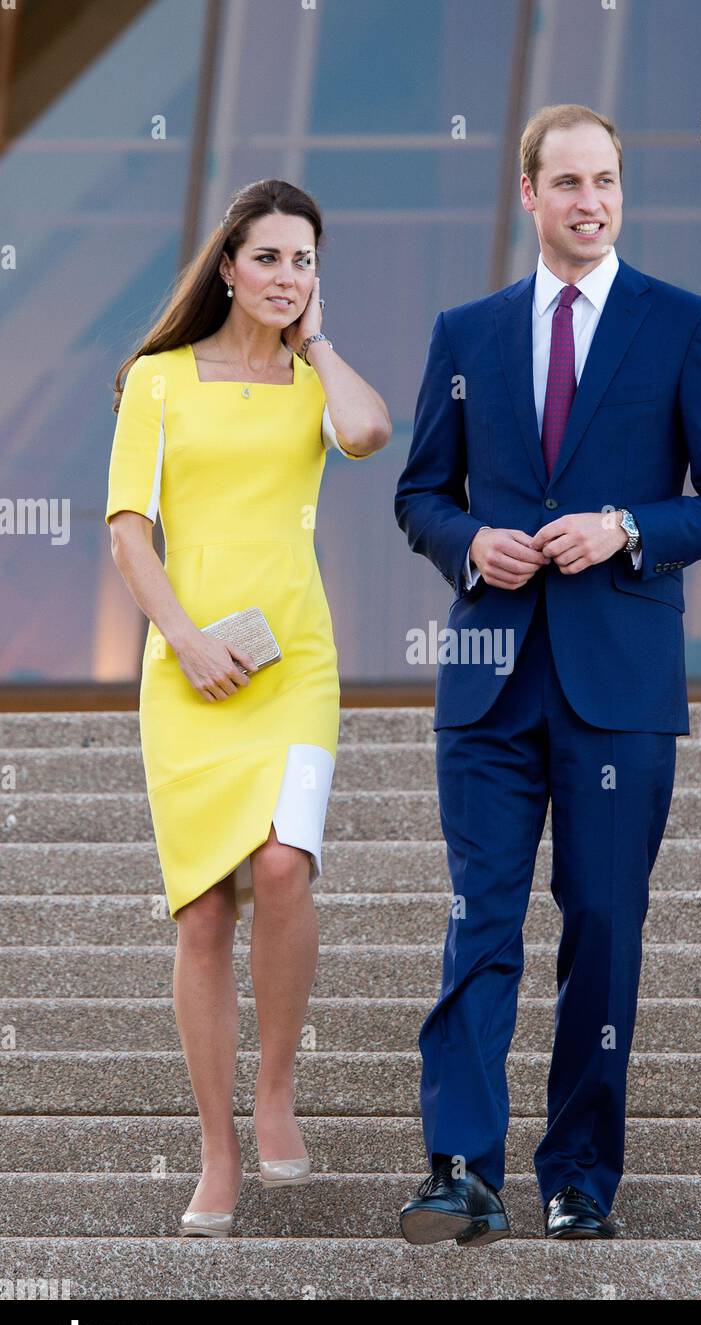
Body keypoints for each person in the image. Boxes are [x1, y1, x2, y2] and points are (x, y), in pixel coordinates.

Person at [394, 104, 701, 1244]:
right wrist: (468, 543)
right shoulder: (465, 333)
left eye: (604, 179)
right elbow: (420, 493)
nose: (588, 201)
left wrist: (624, 527)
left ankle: (577, 1176)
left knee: (603, 926)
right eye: (565, 183)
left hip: (617, 683)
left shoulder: (685, 325)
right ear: (527, 195)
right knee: (480, 922)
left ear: (620, 188)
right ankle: (460, 1168)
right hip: (488, 685)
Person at [105, 178, 390, 1237]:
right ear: (226, 266)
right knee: (201, 911)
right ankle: (217, 1151)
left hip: (297, 668)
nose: (284, 277)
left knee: (281, 863)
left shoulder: (317, 382)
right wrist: (184, 637)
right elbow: (130, 531)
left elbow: (368, 431)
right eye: (267, 258)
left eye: (303, 261)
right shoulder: (157, 382)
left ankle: (276, 1089)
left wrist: (314, 344)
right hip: (186, 675)